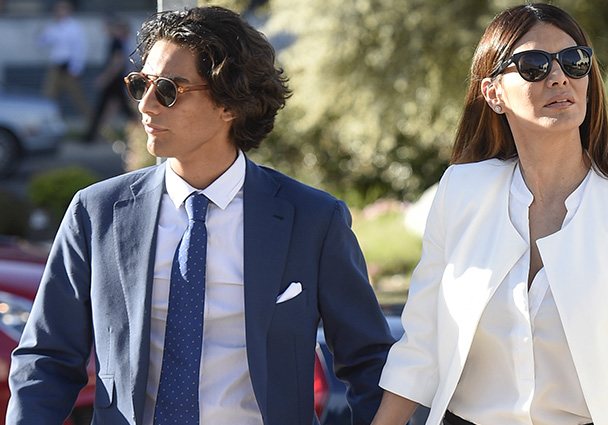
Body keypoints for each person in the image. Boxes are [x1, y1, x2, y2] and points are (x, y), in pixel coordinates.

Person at [7, 6, 393, 425]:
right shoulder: (95, 212)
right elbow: (46, 359)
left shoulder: (313, 220)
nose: (146, 106)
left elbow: (368, 360)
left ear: (230, 103)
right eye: (141, 85)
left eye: (169, 90)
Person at [371, 4, 608, 425]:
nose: (559, 77)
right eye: (533, 65)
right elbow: (421, 345)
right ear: (493, 93)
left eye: (574, 61)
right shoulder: (461, 191)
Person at [83, 17, 138, 143]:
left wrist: (105, 78)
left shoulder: (116, 42)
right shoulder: (119, 42)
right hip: (117, 81)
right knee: (116, 109)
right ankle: (94, 135)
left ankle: (91, 136)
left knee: (108, 109)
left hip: (115, 81)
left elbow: (117, 63)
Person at [37, 0, 90, 120]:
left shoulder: (74, 27)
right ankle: (49, 122)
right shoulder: (53, 27)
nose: (59, 12)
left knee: (78, 99)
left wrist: (76, 68)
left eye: (62, 9)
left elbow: (80, 48)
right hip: (56, 67)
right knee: (48, 97)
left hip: (68, 68)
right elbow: (42, 42)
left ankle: (92, 124)